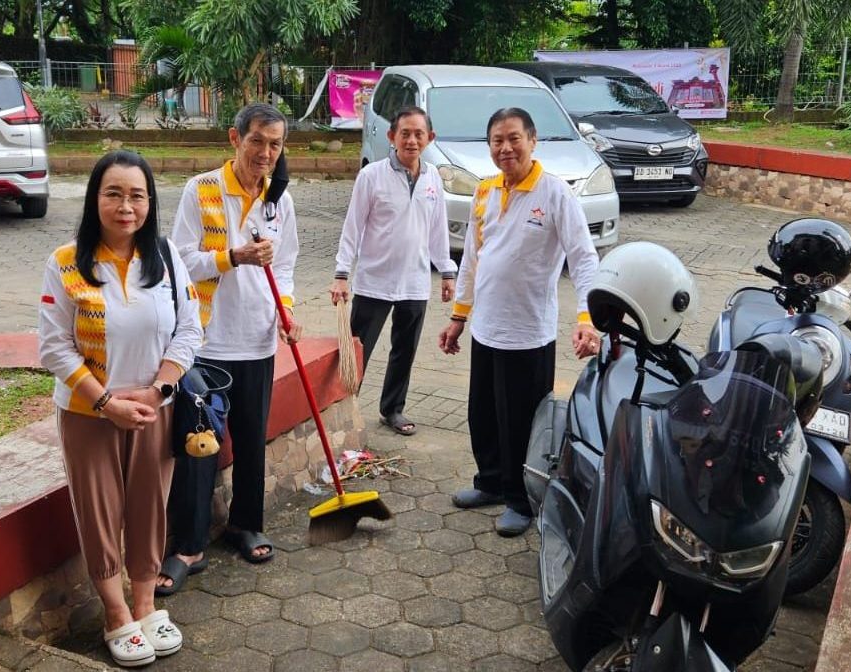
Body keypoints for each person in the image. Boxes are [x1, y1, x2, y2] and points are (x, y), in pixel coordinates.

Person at [38, 150, 203, 667]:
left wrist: (158, 391)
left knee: (150, 505)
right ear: (95, 200)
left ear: (150, 203)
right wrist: (106, 403)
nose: (125, 206)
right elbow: (53, 347)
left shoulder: (167, 257)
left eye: (137, 195)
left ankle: (146, 603)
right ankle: (115, 614)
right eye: (113, 193)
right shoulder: (65, 262)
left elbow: (190, 328)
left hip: (154, 407)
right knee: (101, 512)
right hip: (90, 414)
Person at [438, 108, 601, 537]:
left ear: (532, 141)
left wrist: (588, 318)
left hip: (529, 334)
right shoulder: (485, 191)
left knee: (523, 424)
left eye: (514, 138)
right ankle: (490, 482)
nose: (505, 148)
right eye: (497, 140)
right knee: (483, 415)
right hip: (487, 329)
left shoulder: (555, 194)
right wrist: (459, 316)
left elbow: (584, 258)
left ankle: (522, 499)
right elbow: (472, 260)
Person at [161, 103, 302, 588]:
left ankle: (245, 524)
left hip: (259, 339)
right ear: (234, 138)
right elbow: (179, 261)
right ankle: (189, 544)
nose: (266, 153)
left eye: (275, 144)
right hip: (206, 342)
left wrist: (285, 310)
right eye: (257, 141)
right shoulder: (201, 190)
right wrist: (232, 257)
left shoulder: (279, 198)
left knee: (251, 438)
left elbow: (285, 265)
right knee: (198, 444)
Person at [330, 105, 457, 436]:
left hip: (415, 283)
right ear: (391, 136)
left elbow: (438, 230)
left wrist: (446, 271)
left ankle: (393, 409)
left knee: (405, 350)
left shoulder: (433, 179)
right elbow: (353, 227)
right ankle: (343, 410)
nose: (412, 140)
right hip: (375, 282)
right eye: (405, 133)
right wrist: (342, 273)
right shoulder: (372, 176)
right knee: (357, 352)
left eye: (419, 134)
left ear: (430, 138)